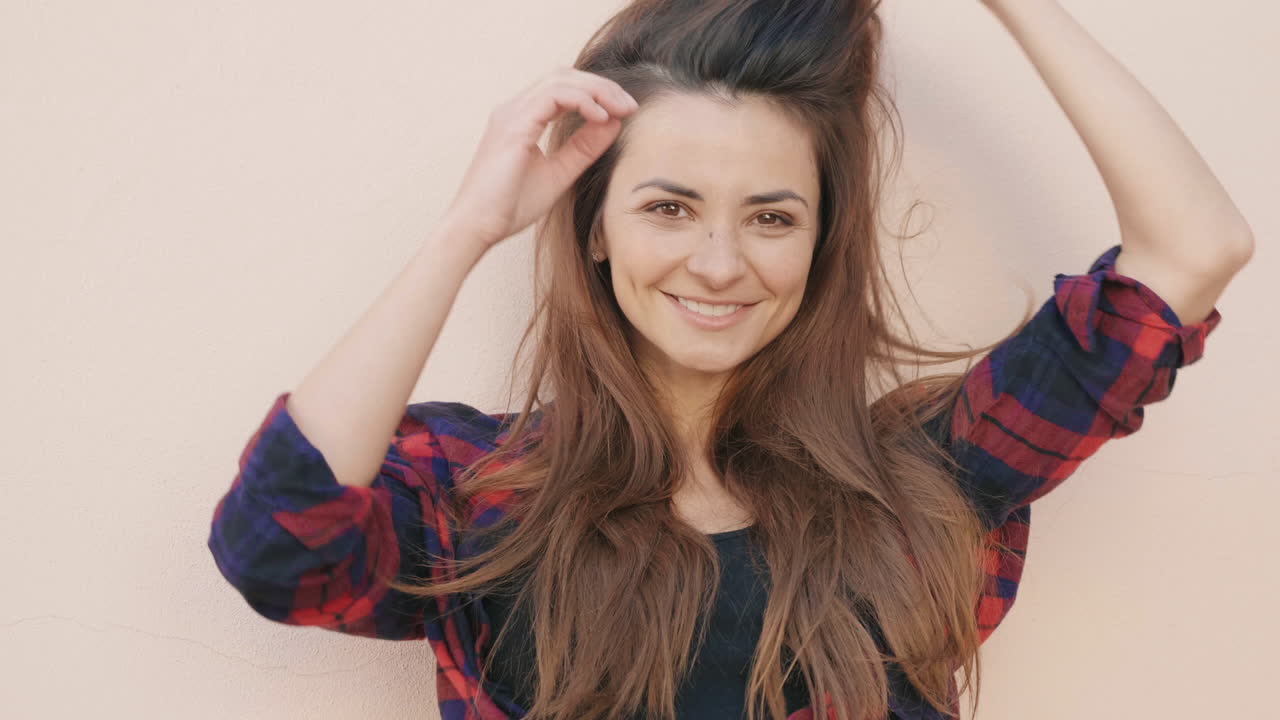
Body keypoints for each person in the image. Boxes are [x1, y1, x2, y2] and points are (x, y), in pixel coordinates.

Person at [206, 1, 1253, 719]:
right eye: (667, 207)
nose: (717, 264)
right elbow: (273, 542)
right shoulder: (482, 496)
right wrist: (468, 228)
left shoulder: (925, 480)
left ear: (816, 239)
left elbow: (1192, 248)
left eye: (769, 216)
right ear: (596, 226)